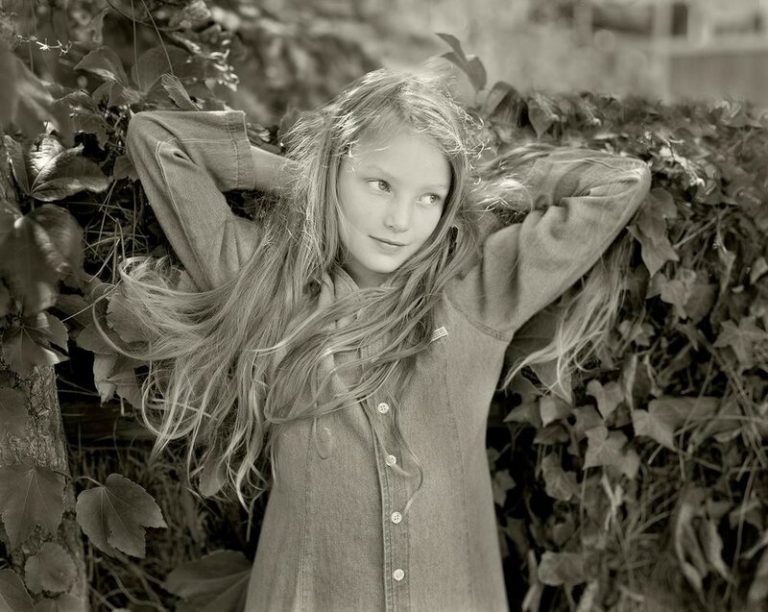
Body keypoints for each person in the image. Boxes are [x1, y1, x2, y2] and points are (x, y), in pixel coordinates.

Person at [111, 65, 651, 611]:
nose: (400, 219)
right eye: (380, 184)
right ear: (335, 173)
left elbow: (620, 183)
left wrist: (478, 189)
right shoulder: (268, 285)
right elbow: (157, 139)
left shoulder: (478, 291)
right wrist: (299, 177)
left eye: (429, 198)